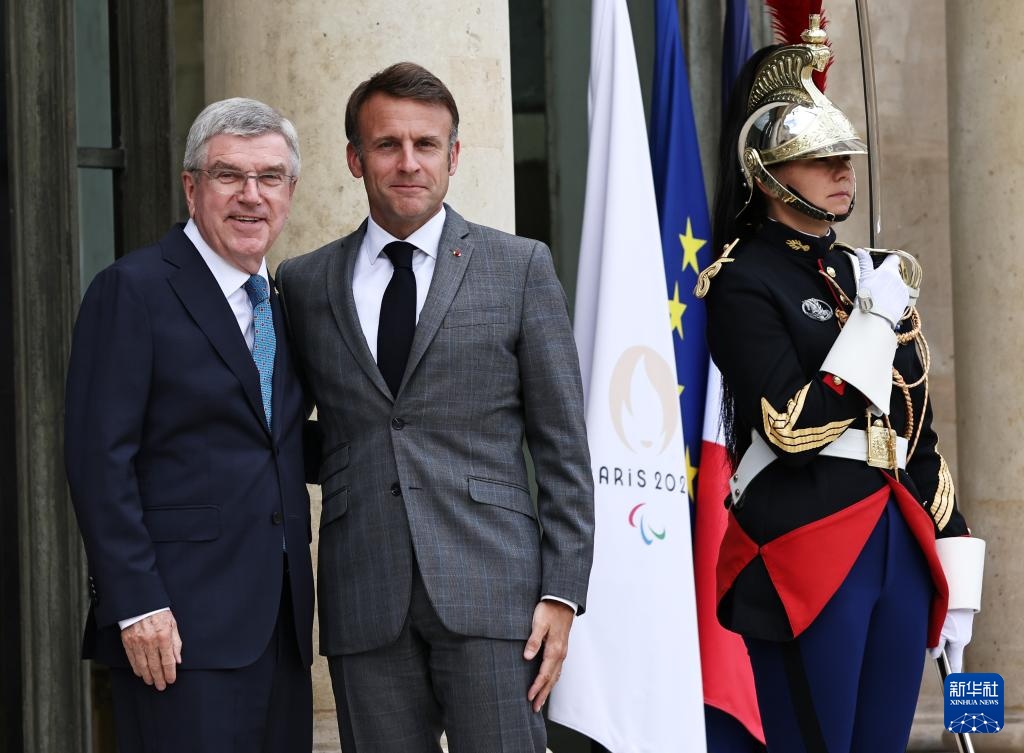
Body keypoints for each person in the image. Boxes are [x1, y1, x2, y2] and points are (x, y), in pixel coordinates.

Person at [276, 61, 594, 752]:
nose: (408, 162)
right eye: (387, 145)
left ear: (453, 156)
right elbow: (295, 434)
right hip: (364, 590)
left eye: (426, 144)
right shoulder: (303, 283)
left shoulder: (519, 267)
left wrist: (563, 592)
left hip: (497, 592)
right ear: (355, 159)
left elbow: (563, 444)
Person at [697, 17, 986, 753]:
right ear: (767, 171)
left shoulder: (869, 273)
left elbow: (917, 429)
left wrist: (955, 558)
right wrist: (870, 325)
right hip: (806, 541)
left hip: (900, 540)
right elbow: (792, 424)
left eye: (845, 158)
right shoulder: (742, 279)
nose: (842, 172)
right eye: (820, 159)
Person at [64, 98, 314, 753]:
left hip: (281, 628)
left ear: (289, 193)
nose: (251, 195)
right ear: (191, 186)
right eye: (229, 175)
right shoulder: (133, 289)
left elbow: (277, 442)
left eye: (269, 177)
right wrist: (137, 603)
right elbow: (98, 459)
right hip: (176, 631)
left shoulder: (285, 303)